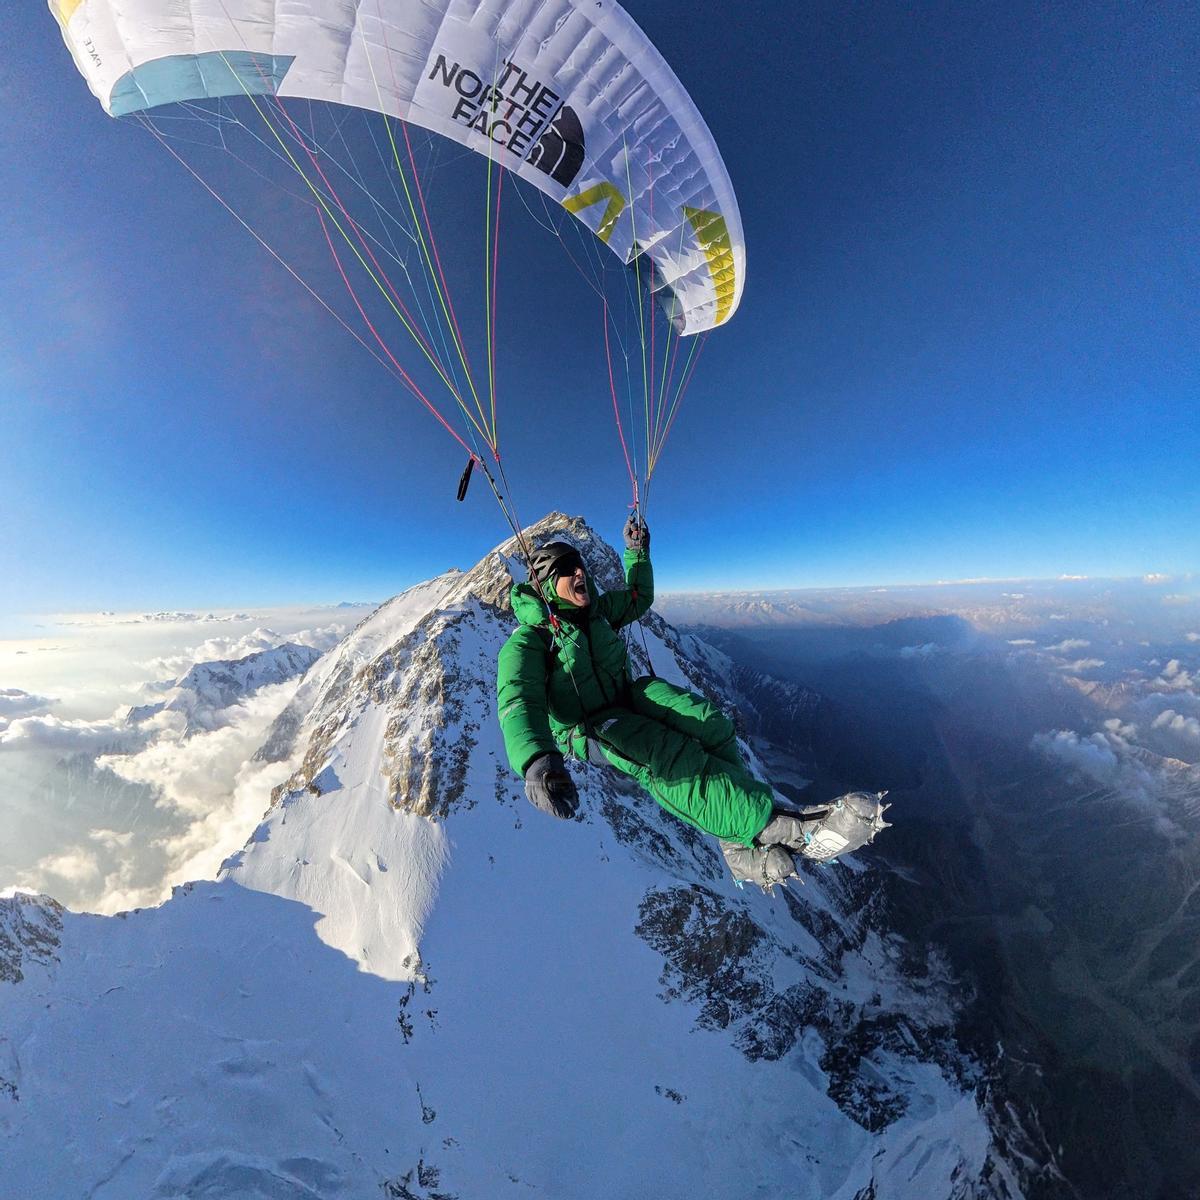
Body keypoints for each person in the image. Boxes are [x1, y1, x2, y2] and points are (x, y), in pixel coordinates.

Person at [496, 516, 823, 889]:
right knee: (661, 751)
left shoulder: (599, 612)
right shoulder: (530, 640)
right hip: (587, 727)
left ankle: (735, 841)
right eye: (565, 569)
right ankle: (770, 823)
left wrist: (637, 553)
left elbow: (638, 599)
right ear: (546, 586)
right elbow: (517, 699)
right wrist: (537, 761)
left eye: (579, 564)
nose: (578, 572)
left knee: (708, 720)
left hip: (627, 698)